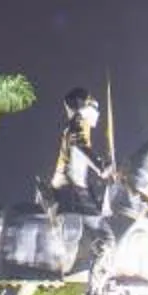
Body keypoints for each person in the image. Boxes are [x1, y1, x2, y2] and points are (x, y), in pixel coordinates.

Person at [49, 88, 108, 216]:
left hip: (70, 185)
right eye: (93, 104)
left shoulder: (76, 124)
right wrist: (100, 167)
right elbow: (79, 146)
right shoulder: (79, 123)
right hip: (71, 187)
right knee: (103, 233)